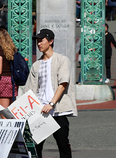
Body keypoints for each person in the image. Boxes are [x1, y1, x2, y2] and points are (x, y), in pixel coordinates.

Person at [26, 29, 77, 158]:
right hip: (40, 111)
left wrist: (51, 103)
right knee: (36, 147)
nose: (38, 44)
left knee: (63, 144)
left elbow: (63, 84)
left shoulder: (62, 60)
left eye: (41, 40)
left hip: (58, 111)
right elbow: (29, 90)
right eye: (37, 41)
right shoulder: (36, 65)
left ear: (50, 41)